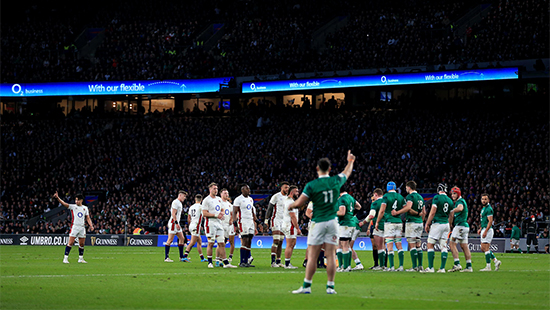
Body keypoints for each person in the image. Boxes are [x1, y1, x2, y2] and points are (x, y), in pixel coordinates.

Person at [290, 150, 355, 295]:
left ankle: (307, 286)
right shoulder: (335, 181)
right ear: (330, 169)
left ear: (317, 169)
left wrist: (291, 206)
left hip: (318, 222)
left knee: (313, 255)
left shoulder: (312, 185)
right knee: (331, 255)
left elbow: (300, 202)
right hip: (333, 222)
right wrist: (350, 161)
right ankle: (330, 287)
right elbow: (346, 173)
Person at [391, 181, 424, 272]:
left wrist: (397, 212)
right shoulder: (420, 197)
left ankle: (414, 267)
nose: (406, 189)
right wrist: (421, 219)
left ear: (409, 187)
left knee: (412, 244)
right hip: (420, 223)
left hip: (412, 222)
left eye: (406, 187)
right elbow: (423, 212)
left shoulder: (410, 196)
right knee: (418, 244)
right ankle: (420, 265)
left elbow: (408, 207)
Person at [202, 183, 236, 268]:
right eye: (214, 188)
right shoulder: (206, 200)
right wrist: (216, 215)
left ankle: (226, 263)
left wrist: (221, 213)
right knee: (211, 243)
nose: (216, 190)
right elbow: (204, 213)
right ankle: (210, 262)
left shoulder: (219, 199)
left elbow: (222, 209)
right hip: (210, 223)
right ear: (210, 190)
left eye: (216, 188)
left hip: (219, 223)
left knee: (222, 243)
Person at [54, 192, 94, 264]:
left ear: (81, 200)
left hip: (82, 227)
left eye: (77, 200)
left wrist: (91, 225)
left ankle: (80, 259)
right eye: (75, 200)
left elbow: (88, 218)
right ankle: (65, 258)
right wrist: (58, 198)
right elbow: (64, 204)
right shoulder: (73, 207)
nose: (76, 201)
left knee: (81, 244)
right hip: (75, 227)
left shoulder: (85, 208)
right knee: (71, 242)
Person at [422, 183, 453, 273]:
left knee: (430, 244)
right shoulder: (450, 200)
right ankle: (442, 268)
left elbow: (432, 212)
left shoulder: (436, 198)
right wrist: (449, 225)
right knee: (443, 246)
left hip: (437, 224)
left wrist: (427, 223)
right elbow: (451, 215)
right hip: (446, 224)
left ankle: (431, 268)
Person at [375, 181, 406, 271]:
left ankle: (391, 267)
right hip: (399, 222)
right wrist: (398, 213)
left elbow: (382, 211)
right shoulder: (400, 197)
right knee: (399, 244)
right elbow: (405, 208)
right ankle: (401, 266)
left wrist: (377, 221)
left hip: (389, 222)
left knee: (389, 245)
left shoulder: (386, 196)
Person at [336, 188, 361, 272]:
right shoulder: (350, 197)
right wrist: (351, 214)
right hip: (351, 224)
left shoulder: (342, 199)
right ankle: (343, 266)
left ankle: (345, 267)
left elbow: (342, 212)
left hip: (345, 224)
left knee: (344, 245)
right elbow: (359, 206)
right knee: (341, 244)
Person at [448, 187, 473, 272]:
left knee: (452, 244)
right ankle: (469, 266)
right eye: (452, 194)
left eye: (454, 193)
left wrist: (452, 210)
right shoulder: (459, 201)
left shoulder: (460, 201)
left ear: (458, 194)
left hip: (460, 226)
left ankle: (457, 264)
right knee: (464, 246)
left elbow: (460, 208)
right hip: (464, 226)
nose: (452, 195)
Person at [233, 184, 258, 267]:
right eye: (247, 189)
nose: (249, 190)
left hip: (250, 221)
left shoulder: (251, 200)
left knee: (249, 240)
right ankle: (242, 261)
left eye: (249, 188)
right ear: (242, 190)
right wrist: (235, 224)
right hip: (243, 221)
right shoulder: (238, 199)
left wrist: (257, 221)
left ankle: (246, 261)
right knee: (245, 240)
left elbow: (252, 211)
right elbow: (234, 212)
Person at [265, 181, 289, 267]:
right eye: (285, 187)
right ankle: (273, 262)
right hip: (276, 220)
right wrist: (266, 220)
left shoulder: (288, 198)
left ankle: (278, 261)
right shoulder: (276, 196)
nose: (287, 189)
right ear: (281, 188)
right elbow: (269, 208)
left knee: (281, 241)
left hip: (284, 222)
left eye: (288, 188)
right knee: (276, 240)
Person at [362, 188, 385, 270]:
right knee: (377, 245)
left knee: (380, 246)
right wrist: (368, 228)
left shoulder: (375, 204)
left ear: (375, 195)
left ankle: (382, 265)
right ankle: (378, 264)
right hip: (376, 225)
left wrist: (363, 222)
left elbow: (371, 216)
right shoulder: (385, 202)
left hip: (378, 225)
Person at [478, 193, 502, 271]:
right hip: (484, 229)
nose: (484, 200)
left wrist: (485, 231)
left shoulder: (489, 209)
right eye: (482, 199)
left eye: (485, 199)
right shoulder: (483, 208)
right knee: (483, 248)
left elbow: (490, 221)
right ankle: (496, 261)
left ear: (488, 200)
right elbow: (483, 220)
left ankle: (488, 266)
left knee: (486, 248)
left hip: (487, 230)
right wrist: (480, 228)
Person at [164, 190, 188, 262]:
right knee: (170, 240)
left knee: (182, 238)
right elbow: (173, 213)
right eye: (184, 196)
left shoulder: (179, 203)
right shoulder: (175, 202)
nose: (184, 198)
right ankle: (166, 258)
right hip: (173, 223)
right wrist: (176, 223)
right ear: (180, 195)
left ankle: (181, 257)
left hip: (176, 223)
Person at [182, 194, 206, 262]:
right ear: (201, 200)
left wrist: (190, 225)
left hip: (192, 225)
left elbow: (188, 218)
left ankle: (202, 258)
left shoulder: (191, 207)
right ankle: (185, 256)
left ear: (195, 199)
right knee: (192, 243)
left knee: (199, 241)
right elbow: (204, 216)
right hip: (196, 226)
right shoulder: (201, 207)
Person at [282, 185, 301, 269]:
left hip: (290, 225)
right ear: (292, 192)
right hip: (290, 226)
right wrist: (297, 228)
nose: (298, 193)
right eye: (296, 191)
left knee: (293, 243)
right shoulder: (290, 202)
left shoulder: (290, 201)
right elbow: (293, 216)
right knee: (290, 244)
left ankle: (288, 262)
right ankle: (287, 263)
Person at [220, 188, 236, 263]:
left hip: (229, 226)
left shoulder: (230, 205)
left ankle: (230, 256)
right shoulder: (219, 203)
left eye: (227, 193)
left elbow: (233, 214)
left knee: (231, 241)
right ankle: (219, 257)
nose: (227, 195)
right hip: (221, 225)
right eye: (225, 193)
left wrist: (231, 220)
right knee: (221, 242)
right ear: (221, 194)